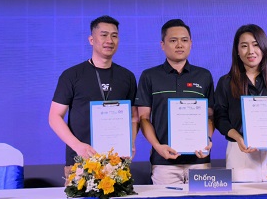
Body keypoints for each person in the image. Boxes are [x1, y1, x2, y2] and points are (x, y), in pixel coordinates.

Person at [48, 15, 139, 182]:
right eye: (104, 35)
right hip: (81, 162)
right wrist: (77, 146)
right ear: (91, 40)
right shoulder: (72, 75)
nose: (109, 40)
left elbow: (134, 117)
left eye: (114, 35)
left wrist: (130, 142)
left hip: (116, 163)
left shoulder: (127, 76)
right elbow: (54, 117)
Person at [214, 24, 267, 182]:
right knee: (242, 196)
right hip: (240, 155)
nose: (250, 51)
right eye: (244, 46)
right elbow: (220, 118)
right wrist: (239, 138)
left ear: (264, 48)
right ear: (237, 51)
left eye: (256, 45)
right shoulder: (226, 82)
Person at [136, 19, 214, 185]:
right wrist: (158, 147)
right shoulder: (149, 76)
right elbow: (143, 118)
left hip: (199, 162)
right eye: (173, 40)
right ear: (162, 45)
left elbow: (210, 116)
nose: (179, 45)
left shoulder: (204, 76)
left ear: (191, 43)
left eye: (184, 40)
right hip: (164, 163)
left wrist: (207, 139)